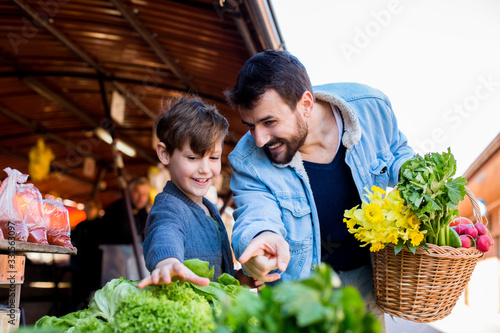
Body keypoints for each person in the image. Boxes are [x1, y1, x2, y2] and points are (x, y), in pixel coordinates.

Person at [224, 50, 415, 320]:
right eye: (251, 125)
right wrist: (261, 238)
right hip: (299, 295)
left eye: (269, 122)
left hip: (368, 284)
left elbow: (397, 151)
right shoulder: (248, 159)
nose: (259, 139)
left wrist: (417, 179)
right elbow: (256, 212)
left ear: (306, 104)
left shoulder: (371, 107)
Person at [137, 95, 240, 288]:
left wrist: (239, 279)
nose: (205, 169)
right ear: (165, 154)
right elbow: (165, 232)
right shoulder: (169, 206)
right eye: (192, 158)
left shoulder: (211, 210)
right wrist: (168, 262)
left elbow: (218, 275)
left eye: (214, 157)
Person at [69, 199, 103, 311]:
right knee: (77, 293)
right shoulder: (80, 226)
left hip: (95, 266)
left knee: (92, 294)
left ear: (97, 209)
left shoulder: (101, 225)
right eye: (86, 207)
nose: (88, 210)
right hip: (79, 265)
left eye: (91, 207)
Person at [101, 177, 150, 244]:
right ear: (128, 192)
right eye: (137, 192)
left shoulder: (144, 213)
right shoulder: (114, 210)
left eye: (144, 194)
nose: (141, 198)